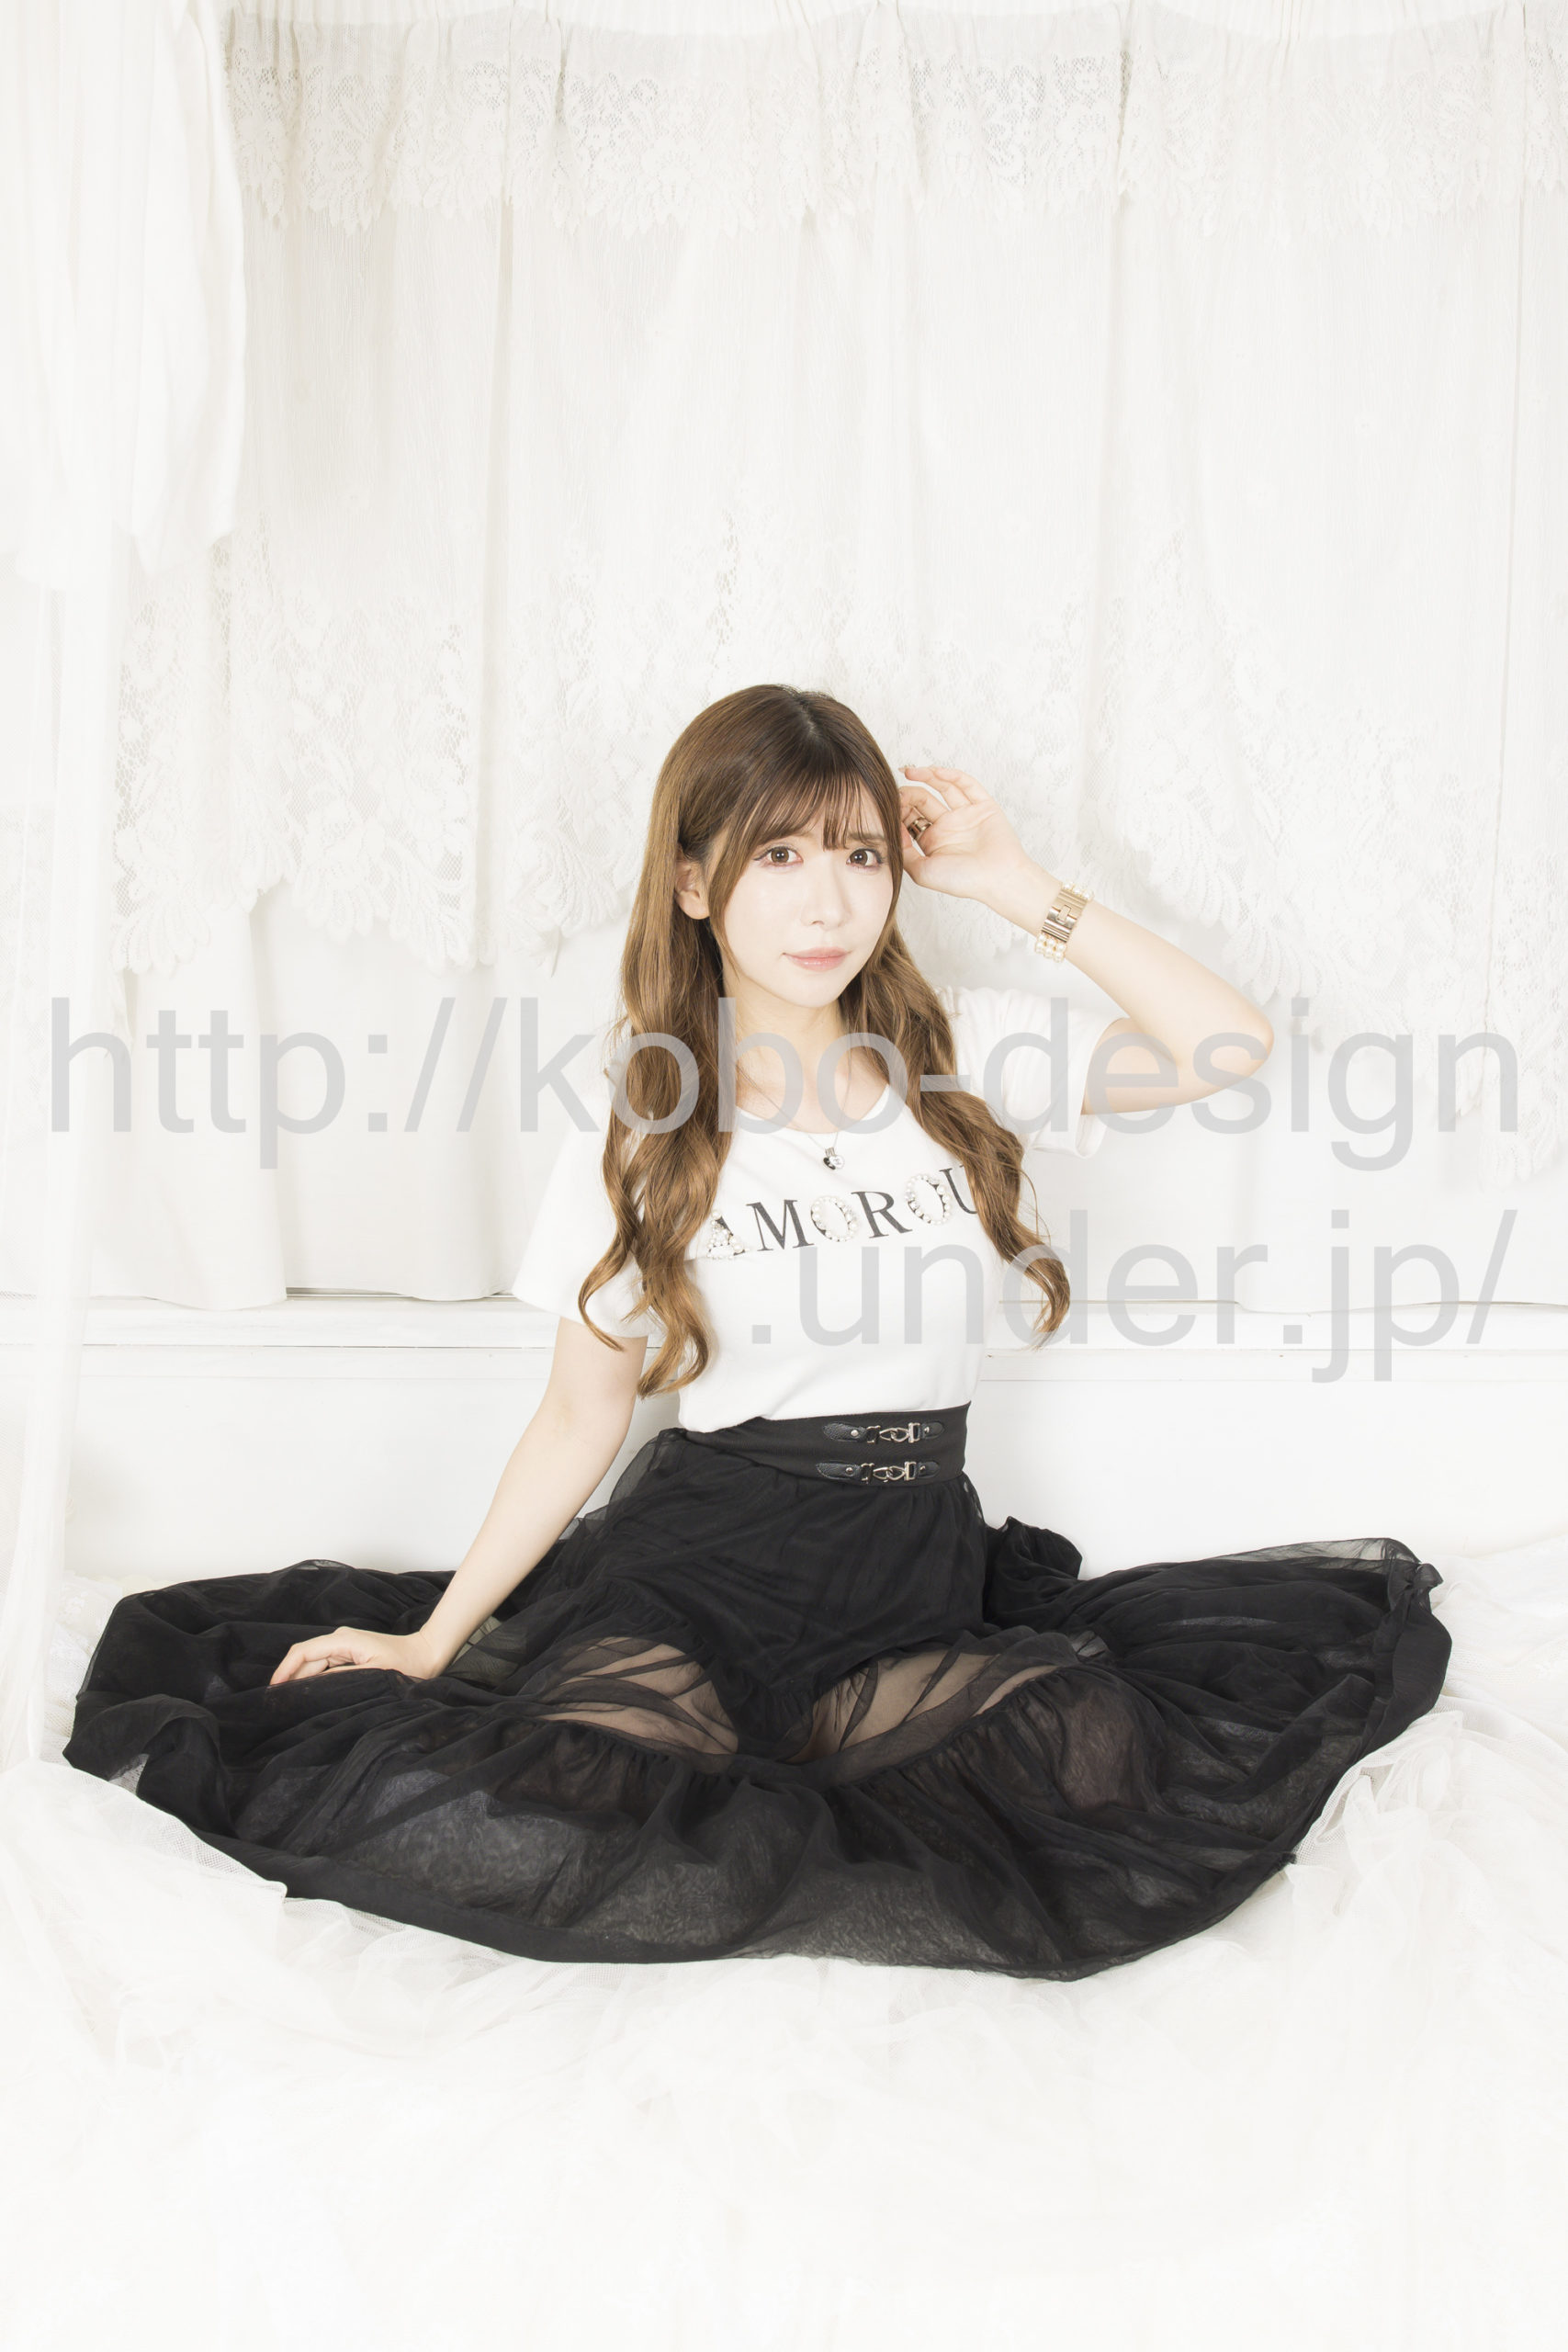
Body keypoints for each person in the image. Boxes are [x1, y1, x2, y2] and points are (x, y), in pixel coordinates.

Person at [64, 684, 1450, 1976]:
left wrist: (1013, 881)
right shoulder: (648, 1116)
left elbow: (1227, 1046)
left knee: (1087, 1759)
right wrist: (431, 1639)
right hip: (708, 1560)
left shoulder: (960, 1051)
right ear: (693, 881)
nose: (827, 900)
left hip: (909, 1562)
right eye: (779, 856)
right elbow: (580, 1415)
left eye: (860, 854)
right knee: (576, 1802)